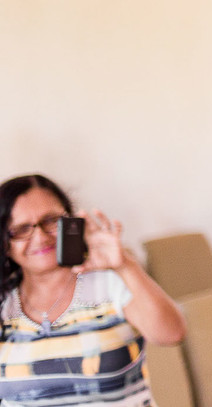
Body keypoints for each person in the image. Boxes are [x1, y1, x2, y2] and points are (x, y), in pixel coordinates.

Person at [0, 174, 186, 407]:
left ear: (72, 222)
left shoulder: (109, 282)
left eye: (51, 220)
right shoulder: (4, 303)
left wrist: (125, 265)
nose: (40, 236)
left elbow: (171, 334)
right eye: (20, 229)